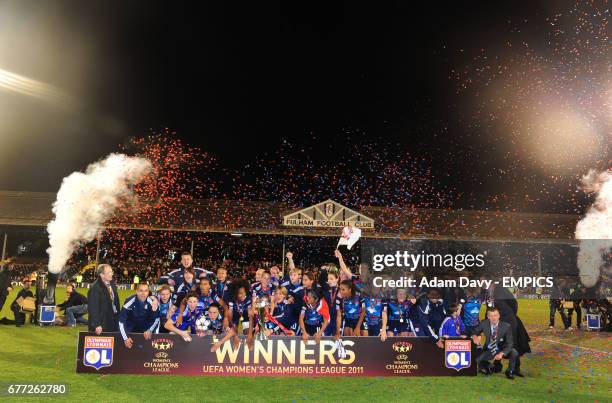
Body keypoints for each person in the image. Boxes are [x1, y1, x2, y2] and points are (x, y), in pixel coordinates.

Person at [471, 307, 520, 379]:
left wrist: (502, 353)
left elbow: (510, 343)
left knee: (514, 352)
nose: (493, 318)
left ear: (499, 316)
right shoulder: (484, 323)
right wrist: (475, 336)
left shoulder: (506, 326)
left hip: (501, 349)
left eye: (495, 315)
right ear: (488, 317)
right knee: (476, 362)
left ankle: (509, 371)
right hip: (489, 350)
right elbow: (475, 331)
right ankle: (490, 366)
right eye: (491, 316)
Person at [118, 283, 159, 348]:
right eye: (141, 291)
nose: (143, 293)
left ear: (148, 292)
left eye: (146, 291)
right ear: (137, 291)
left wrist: (150, 330)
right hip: (130, 329)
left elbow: (156, 318)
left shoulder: (152, 302)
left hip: (145, 330)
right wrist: (125, 338)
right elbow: (121, 321)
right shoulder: (130, 301)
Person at [87, 264, 121, 334]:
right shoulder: (95, 288)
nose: (111, 274)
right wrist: (97, 325)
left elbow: (115, 301)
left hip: (113, 320)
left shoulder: (112, 283)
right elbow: (93, 308)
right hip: (102, 323)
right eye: (109, 272)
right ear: (101, 275)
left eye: (111, 272)